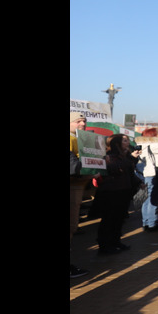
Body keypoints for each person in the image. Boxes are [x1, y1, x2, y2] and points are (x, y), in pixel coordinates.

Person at [95, 134, 138, 255]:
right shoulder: (109, 156)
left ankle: (115, 242)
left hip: (123, 190)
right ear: (117, 143)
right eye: (124, 141)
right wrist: (129, 159)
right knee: (109, 219)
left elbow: (129, 173)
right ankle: (104, 246)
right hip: (111, 191)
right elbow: (113, 169)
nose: (127, 143)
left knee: (119, 219)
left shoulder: (124, 156)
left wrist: (138, 182)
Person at [70, 112, 92, 277]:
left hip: (77, 185)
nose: (83, 124)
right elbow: (73, 166)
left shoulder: (79, 139)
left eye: (84, 121)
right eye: (78, 121)